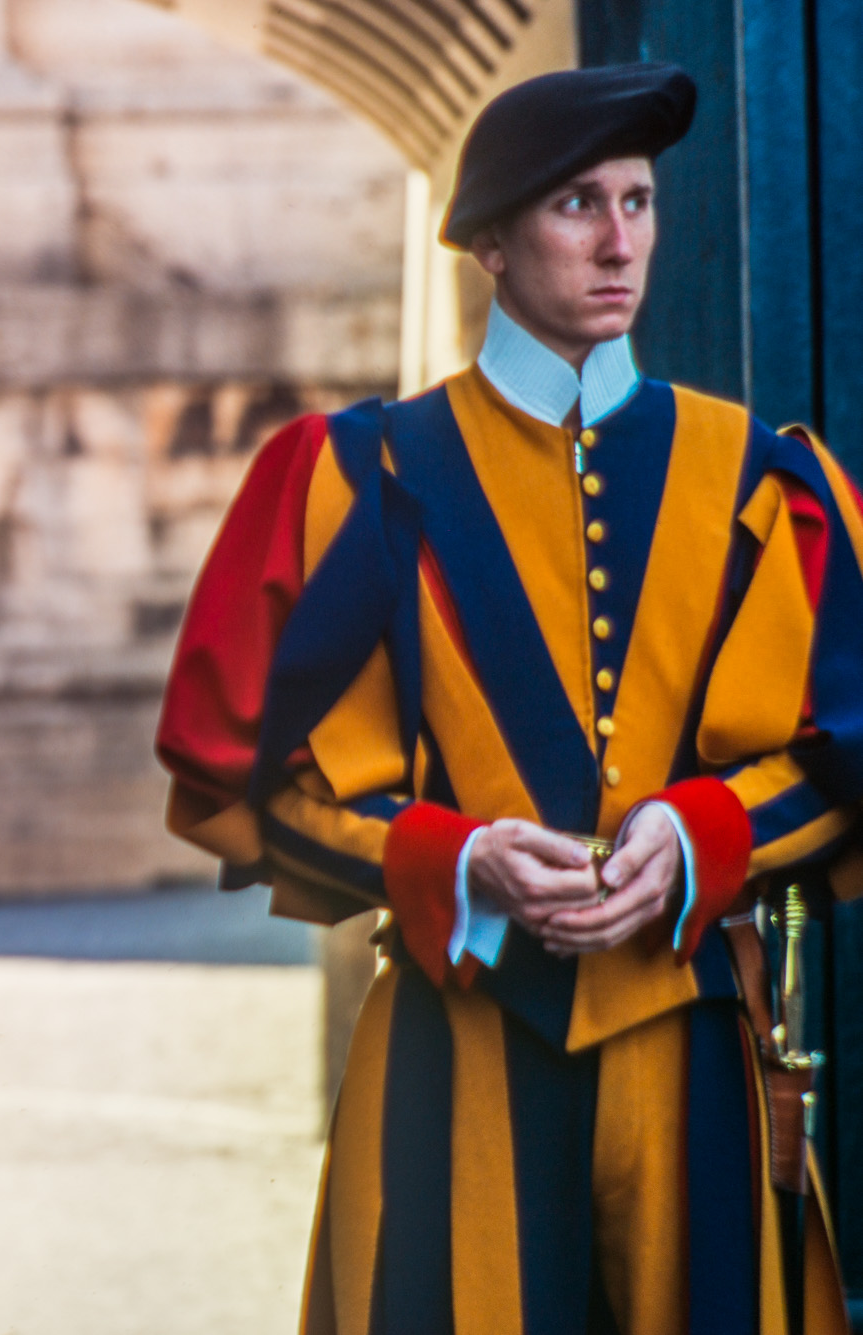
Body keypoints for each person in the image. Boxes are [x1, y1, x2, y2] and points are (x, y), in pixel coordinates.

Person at [156, 63, 857, 1333]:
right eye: (576, 205)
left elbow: (850, 753)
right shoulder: (359, 475)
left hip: (691, 1050)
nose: (618, 241)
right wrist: (451, 857)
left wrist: (704, 835)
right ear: (488, 242)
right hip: (454, 1046)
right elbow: (237, 771)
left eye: (637, 203)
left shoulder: (760, 475)